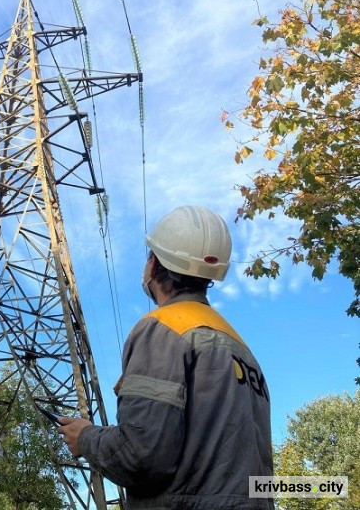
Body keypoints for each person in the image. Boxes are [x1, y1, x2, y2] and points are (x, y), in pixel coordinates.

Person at [58, 205, 273, 509]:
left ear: (155, 265)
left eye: (149, 256)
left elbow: (141, 456)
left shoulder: (163, 328)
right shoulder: (242, 350)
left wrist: (86, 437)